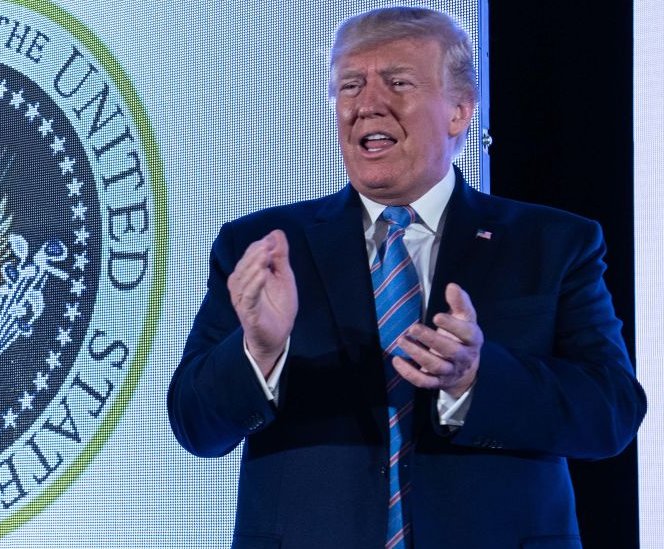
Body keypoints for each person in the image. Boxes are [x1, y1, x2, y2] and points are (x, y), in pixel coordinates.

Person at [167, 6, 646, 549]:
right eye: (350, 85)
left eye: (397, 82)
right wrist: (257, 350)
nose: (367, 104)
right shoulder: (264, 246)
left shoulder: (553, 243)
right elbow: (196, 427)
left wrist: (475, 378)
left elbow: (611, 414)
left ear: (460, 111)